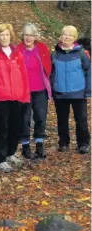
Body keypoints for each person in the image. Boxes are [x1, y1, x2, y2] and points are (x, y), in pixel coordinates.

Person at [0, 24, 30, 173]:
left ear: (11, 36)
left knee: (16, 127)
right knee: (1, 128)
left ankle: (10, 153)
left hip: (17, 96)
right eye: (2, 35)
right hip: (0, 97)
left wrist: (25, 95)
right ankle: (0, 158)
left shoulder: (18, 54)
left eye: (7, 35)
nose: (4, 37)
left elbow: (24, 76)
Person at [51, 25, 91, 154]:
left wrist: (88, 90)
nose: (67, 36)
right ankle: (63, 143)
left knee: (81, 119)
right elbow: (51, 73)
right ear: (61, 36)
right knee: (62, 119)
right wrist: (52, 89)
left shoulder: (81, 53)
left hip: (78, 92)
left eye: (70, 35)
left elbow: (88, 71)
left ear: (75, 38)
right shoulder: (55, 54)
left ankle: (83, 143)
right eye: (65, 34)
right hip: (60, 92)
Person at [17, 23, 52, 159]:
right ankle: (25, 146)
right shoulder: (18, 49)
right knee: (24, 118)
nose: (28, 38)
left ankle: (39, 144)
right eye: (26, 34)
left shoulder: (42, 48)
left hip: (40, 89)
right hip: (24, 90)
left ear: (36, 36)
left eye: (31, 35)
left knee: (40, 117)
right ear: (22, 35)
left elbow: (48, 67)